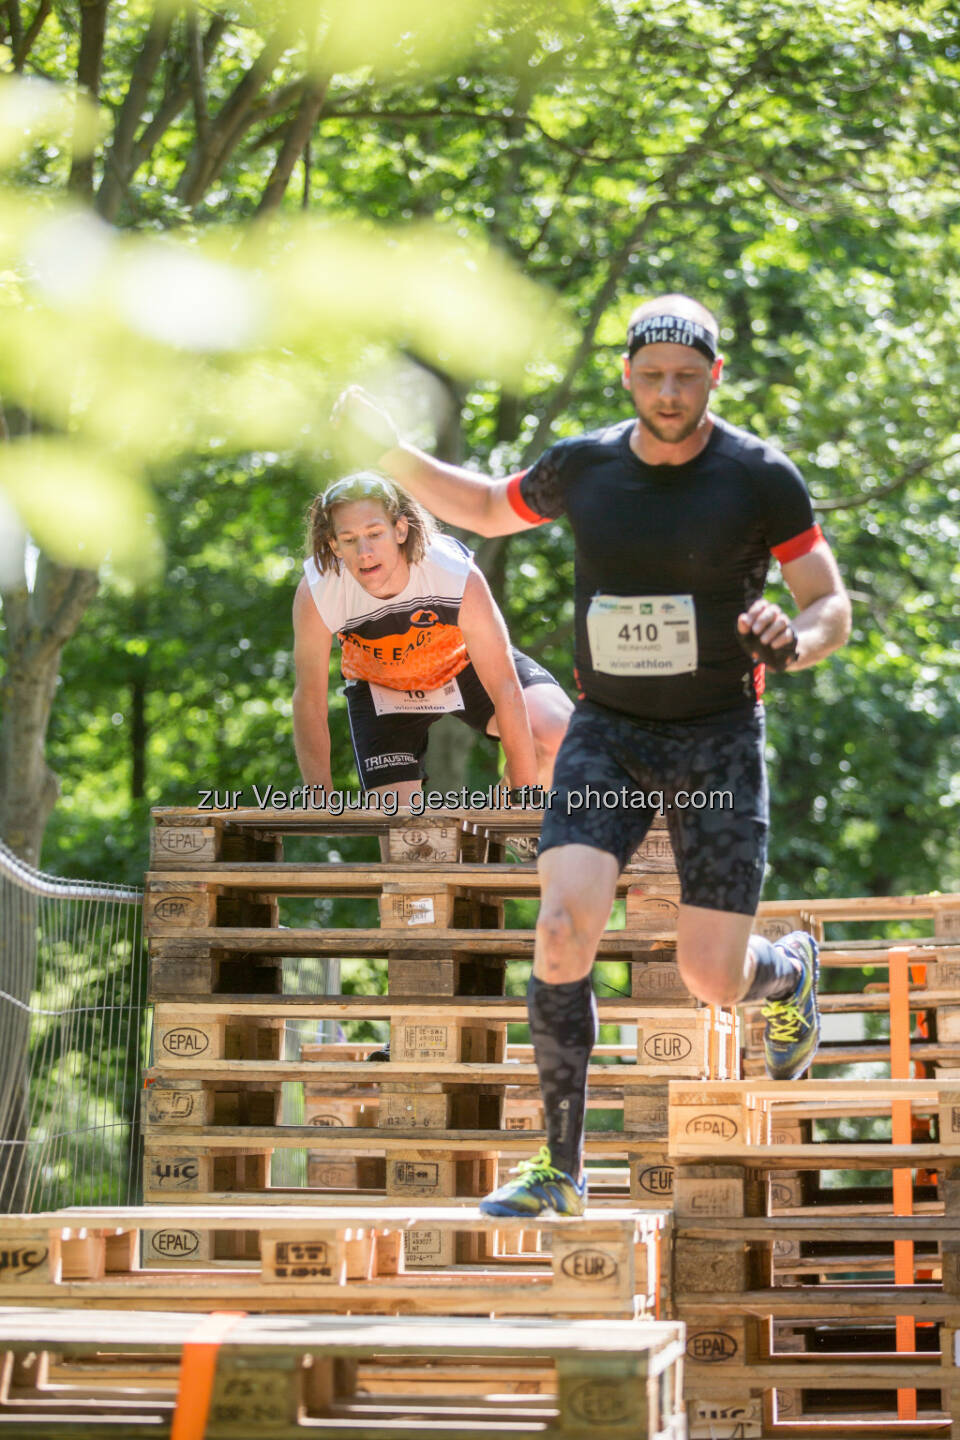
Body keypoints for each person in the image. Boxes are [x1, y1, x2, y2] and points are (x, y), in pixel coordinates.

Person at [334, 294, 852, 1217]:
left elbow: (829, 602)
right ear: (628, 376)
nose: (668, 392)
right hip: (608, 734)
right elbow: (491, 510)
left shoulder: (760, 477)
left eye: (686, 378)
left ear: (714, 379)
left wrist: (797, 639)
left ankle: (791, 972)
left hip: (717, 740)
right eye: (651, 375)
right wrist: (388, 454)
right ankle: (561, 1171)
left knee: (710, 978)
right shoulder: (588, 467)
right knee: (563, 931)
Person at [293, 472, 572, 807]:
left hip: (462, 663)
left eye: (375, 533)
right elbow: (309, 699)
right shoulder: (319, 588)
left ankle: (507, 824)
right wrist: (319, 801)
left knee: (560, 735)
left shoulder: (451, 570)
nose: (364, 552)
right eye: (349, 540)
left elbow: (505, 687)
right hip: (382, 684)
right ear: (334, 544)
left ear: (400, 529)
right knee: (403, 839)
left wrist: (525, 803)